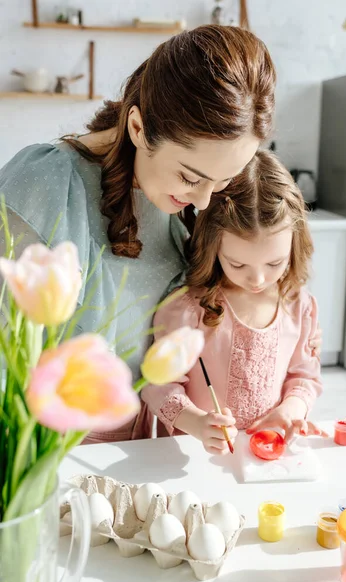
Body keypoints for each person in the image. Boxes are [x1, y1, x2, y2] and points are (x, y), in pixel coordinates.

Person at [0, 26, 320, 443]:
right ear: (138, 127)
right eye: (191, 176)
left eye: (222, 181)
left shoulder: (181, 200)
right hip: (36, 451)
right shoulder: (46, 179)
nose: (204, 202)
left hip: (138, 445)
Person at [142, 150, 327, 454]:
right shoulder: (188, 310)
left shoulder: (299, 306)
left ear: (294, 247)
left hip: (265, 458)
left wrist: (291, 411)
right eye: (238, 265)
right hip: (192, 457)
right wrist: (197, 423)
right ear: (213, 247)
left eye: (274, 263)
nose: (257, 279)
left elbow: (304, 376)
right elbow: (156, 386)